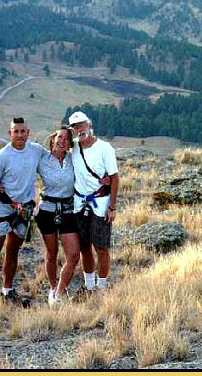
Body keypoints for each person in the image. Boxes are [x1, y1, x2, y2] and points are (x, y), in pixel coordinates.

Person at [0, 117, 46, 307]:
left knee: (13, 251)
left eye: (23, 131)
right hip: (2, 210)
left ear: (28, 132)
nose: (20, 135)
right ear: (10, 133)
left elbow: (55, 155)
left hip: (24, 210)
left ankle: (7, 291)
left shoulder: (36, 150)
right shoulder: (2, 157)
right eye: (16, 131)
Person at [68, 111, 119, 293]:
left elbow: (114, 178)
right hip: (79, 204)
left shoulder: (105, 148)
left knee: (102, 247)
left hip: (101, 204)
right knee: (84, 247)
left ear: (90, 125)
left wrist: (112, 207)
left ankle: (102, 287)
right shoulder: (73, 148)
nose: (79, 129)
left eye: (81, 125)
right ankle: (89, 286)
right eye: (75, 127)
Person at [35, 127, 80, 307]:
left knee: (74, 255)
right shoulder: (42, 159)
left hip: (68, 210)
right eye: (60, 137)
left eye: (67, 139)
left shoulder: (72, 159)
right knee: (52, 252)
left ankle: (60, 292)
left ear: (70, 143)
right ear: (53, 139)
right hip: (46, 210)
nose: (62, 141)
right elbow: (24, 172)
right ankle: (53, 289)